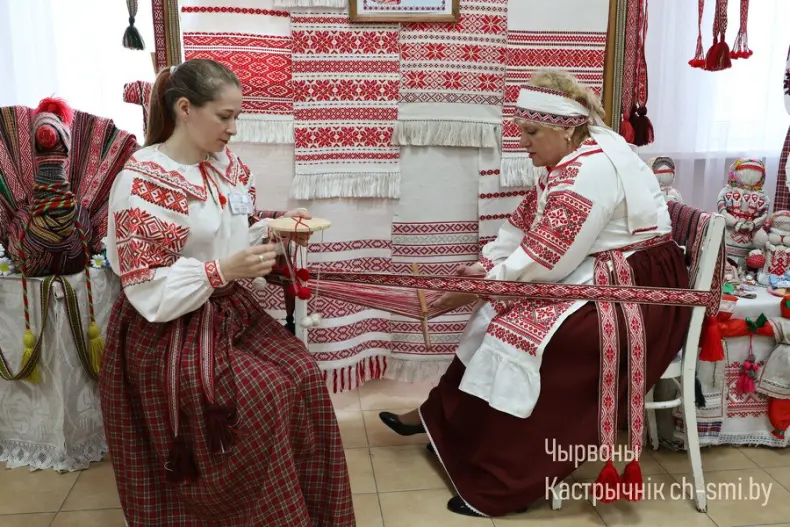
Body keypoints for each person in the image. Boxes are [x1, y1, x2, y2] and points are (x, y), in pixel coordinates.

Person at [378, 69, 692, 517]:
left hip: (636, 293)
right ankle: (441, 423)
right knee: (492, 319)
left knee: (527, 337)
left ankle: (507, 479)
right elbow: (524, 229)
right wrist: (484, 268)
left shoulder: (590, 170)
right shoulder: (564, 162)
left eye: (530, 132)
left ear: (565, 127)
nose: (522, 142)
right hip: (597, 272)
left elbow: (547, 260)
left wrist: (478, 288)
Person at [99, 59, 355, 526]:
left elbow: (232, 237)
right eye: (224, 117)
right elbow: (146, 284)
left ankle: (307, 513)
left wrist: (274, 231)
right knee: (268, 391)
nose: (234, 129)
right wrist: (221, 271)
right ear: (184, 109)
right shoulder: (142, 181)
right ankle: (236, 511)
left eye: (237, 116)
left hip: (227, 312)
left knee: (303, 373)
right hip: (166, 328)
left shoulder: (225, 167)